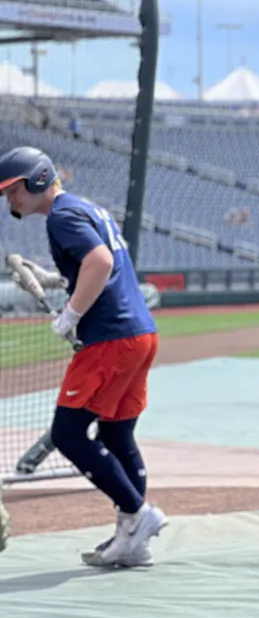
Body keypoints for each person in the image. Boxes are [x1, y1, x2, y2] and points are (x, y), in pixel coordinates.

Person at [0, 146, 165, 567]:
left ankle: (138, 514)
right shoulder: (85, 209)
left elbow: (99, 260)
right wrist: (60, 281)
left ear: (36, 179)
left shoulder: (61, 215)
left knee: (70, 434)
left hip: (109, 339)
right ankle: (133, 538)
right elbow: (97, 265)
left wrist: (70, 315)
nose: (9, 200)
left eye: (12, 190)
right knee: (115, 436)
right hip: (140, 334)